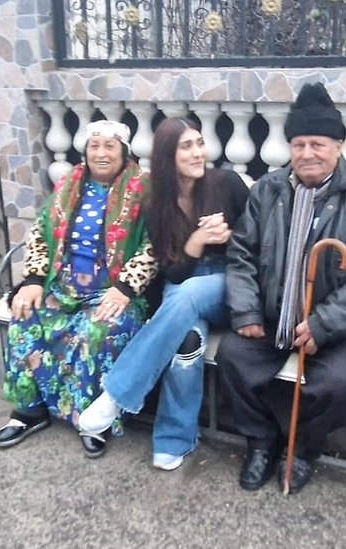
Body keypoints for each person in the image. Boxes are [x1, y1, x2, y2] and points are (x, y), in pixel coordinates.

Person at [218, 83, 346, 494]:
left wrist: (324, 324)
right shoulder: (267, 190)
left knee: (338, 386)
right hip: (272, 314)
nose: (306, 154)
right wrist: (247, 312)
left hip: (337, 327)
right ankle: (261, 441)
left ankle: (302, 449)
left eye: (317, 143)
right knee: (232, 358)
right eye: (298, 143)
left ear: (339, 145)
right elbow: (242, 254)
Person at [78, 118, 249, 471]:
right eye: (186, 147)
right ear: (167, 156)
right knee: (186, 339)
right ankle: (175, 439)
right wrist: (196, 242)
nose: (198, 153)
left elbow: (260, 246)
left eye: (200, 143)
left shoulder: (227, 183)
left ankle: (116, 394)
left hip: (231, 283)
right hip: (183, 288)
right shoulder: (158, 202)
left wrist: (229, 237)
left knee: (187, 295)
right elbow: (173, 271)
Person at [0, 120, 157, 458]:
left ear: (123, 152)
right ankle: (29, 410)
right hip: (63, 286)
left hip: (112, 290)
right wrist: (34, 281)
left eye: (109, 147)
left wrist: (127, 287)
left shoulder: (144, 187)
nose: (101, 153)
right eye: (94, 146)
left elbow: (156, 243)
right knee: (25, 313)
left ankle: (91, 421)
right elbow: (40, 232)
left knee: (103, 329)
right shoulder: (69, 184)